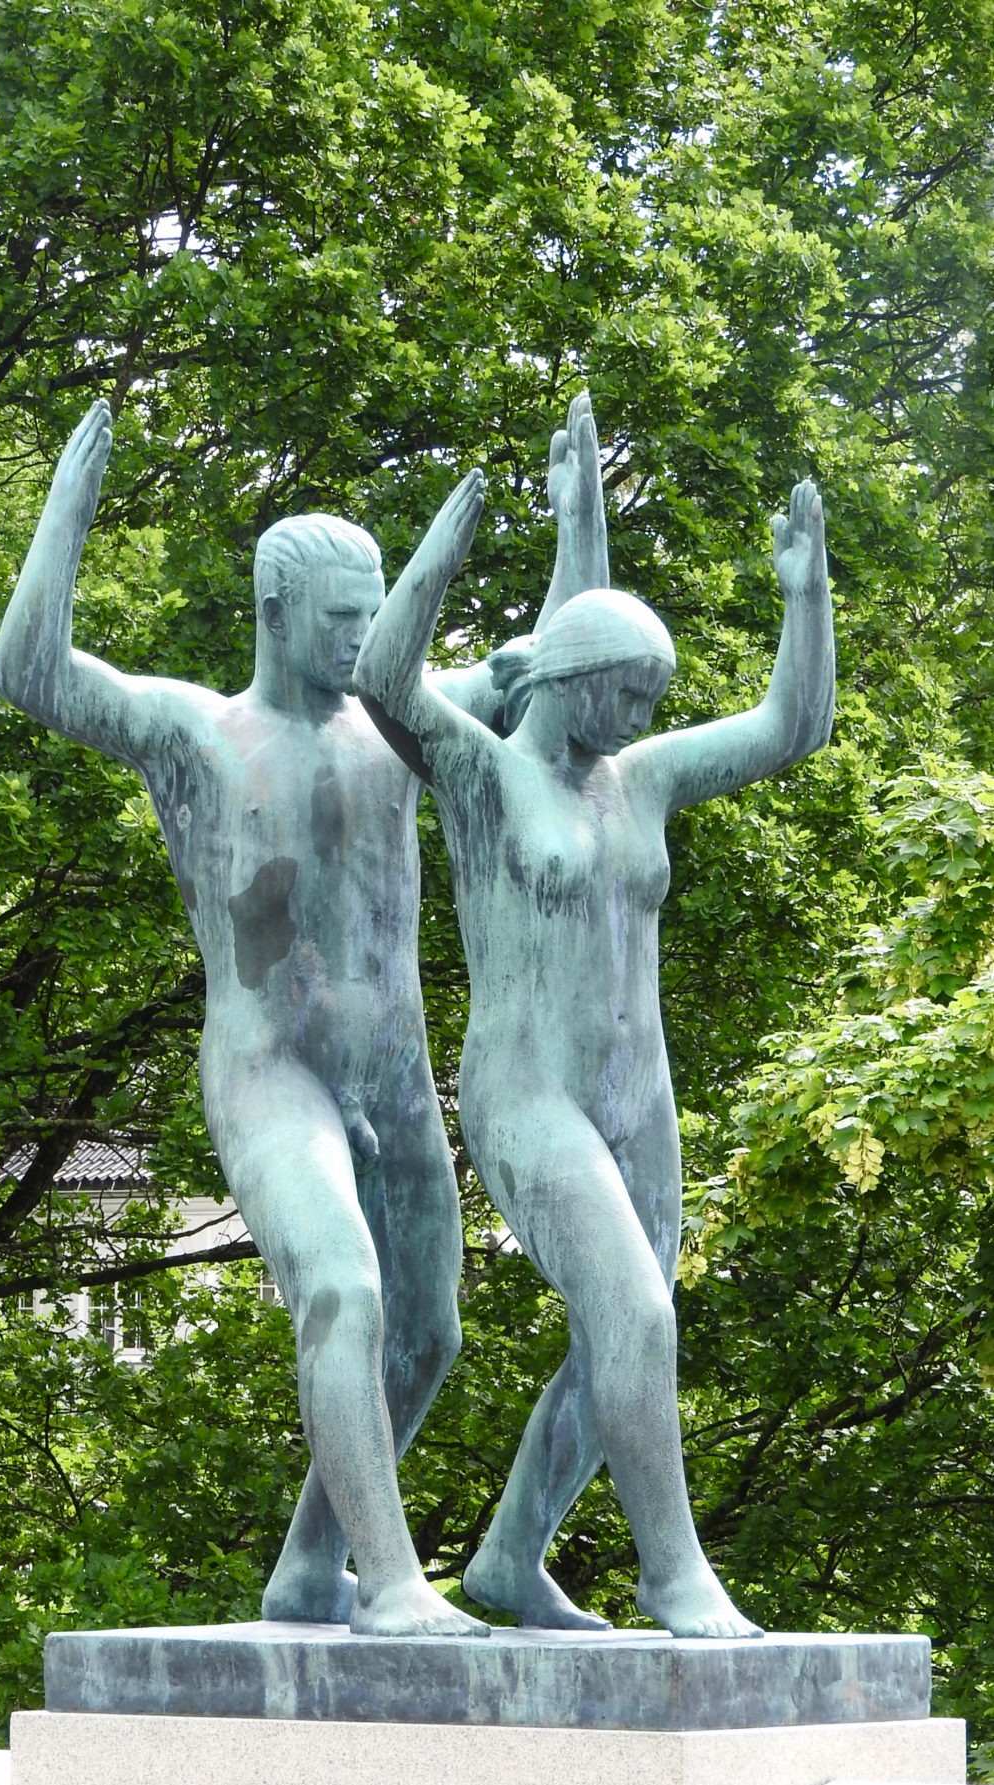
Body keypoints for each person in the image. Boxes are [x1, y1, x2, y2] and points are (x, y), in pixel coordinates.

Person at [0, 399, 590, 1636]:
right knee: (340, 1288)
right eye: (340, 619)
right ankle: (392, 1583)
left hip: (395, 1074)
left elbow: (564, 678)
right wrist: (68, 499)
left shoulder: (401, 721)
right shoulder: (196, 734)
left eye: (374, 616)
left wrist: (575, 514)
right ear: (275, 613)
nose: (362, 639)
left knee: (428, 1335)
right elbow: (30, 670)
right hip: (273, 1072)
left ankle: (308, 1565)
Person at [354, 401, 835, 1637]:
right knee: (636, 1312)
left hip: (640, 1094)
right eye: (621, 692)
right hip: (527, 1095)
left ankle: (509, 1556)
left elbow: (791, 728)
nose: (633, 716)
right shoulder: (480, 774)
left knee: (620, 1336)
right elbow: (380, 679)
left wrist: (803, 594)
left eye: (647, 696)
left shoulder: (647, 778)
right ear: (568, 682)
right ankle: (673, 1576)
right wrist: (438, 556)